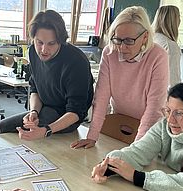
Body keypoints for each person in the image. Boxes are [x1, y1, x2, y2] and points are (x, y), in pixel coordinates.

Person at [71, 6, 168, 148]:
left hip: (149, 129)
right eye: (117, 39)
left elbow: (154, 108)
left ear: (145, 37)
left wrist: (136, 149)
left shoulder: (158, 56)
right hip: (119, 120)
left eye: (129, 41)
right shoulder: (110, 53)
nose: (121, 47)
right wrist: (92, 136)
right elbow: (102, 97)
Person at [0, 10, 94, 140]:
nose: (44, 50)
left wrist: (46, 130)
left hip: (67, 116)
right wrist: (33, 112)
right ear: (33, 39)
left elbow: (76, 112)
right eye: (39, 42)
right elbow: (35, 89)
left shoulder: (76, 61)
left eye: (51, 43)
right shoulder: (32, 52)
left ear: (60, 41)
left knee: (28, 136)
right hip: (46, 109)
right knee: (1, 128)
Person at [152, 5, 182, 88]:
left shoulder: (149, 39)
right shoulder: (170, 46)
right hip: (162, 96)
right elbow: (173, 82)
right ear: (174, 21)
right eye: (179, 17)